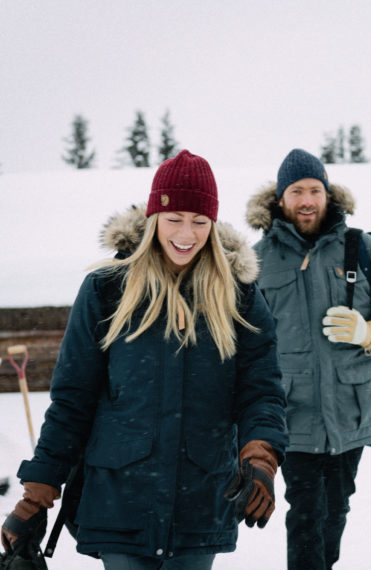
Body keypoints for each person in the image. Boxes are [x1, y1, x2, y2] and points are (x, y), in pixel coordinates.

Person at [1, 150, 288, 570]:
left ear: (213, 223)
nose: (186, 234)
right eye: (174, 220)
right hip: (121, 499)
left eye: (199, 222)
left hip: (202, 498)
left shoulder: (239, 296)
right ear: (155, 218)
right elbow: (72, 400)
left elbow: (261, 390)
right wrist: (36, 495)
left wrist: (260, 457)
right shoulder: (106, 290)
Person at [246, 148, 371, 569]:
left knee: (337, 507)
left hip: (351, 407)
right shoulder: (256, 260)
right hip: (292, 413)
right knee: (306, 513)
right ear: (280, 199)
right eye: (296, 191)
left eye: (315, 189)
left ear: (328, 194)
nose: (307, 200)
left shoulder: (360, 248)